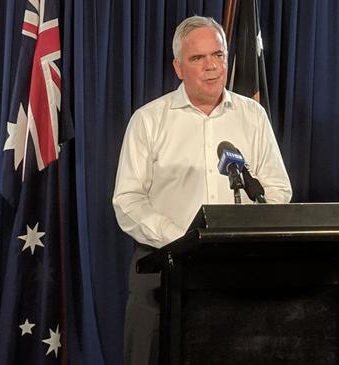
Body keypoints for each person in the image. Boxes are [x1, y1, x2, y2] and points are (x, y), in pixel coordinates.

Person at [112, 16, 292, 365]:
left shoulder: (252, 115)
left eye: (218, 55)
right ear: (178, 67)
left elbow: (277, 188)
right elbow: (128, 200)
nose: (212, 67)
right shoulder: (150, 119)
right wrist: (184, 239)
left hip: (235, 271)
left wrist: (241, 235)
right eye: (198, 59)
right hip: (162, 270)